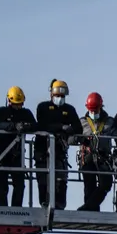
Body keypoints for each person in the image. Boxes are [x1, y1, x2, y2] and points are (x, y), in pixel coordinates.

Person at [34, 79, 82, 210]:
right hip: (42, 149)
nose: (60, 98)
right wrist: (61, 127)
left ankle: (60, 205)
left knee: (61, 179)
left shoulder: (69, 109)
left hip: (60, 150)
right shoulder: (43, 107)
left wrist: (70, 130)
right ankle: (44, 203)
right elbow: (42, 125)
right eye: (57, 96)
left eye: (62, 96)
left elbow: (78, 128)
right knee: (43, 178)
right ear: (51, 94)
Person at [0, 86, 37, 207]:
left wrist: (26, 126)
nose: (18, 106)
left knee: (20, 184)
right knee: (1, 184)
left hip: (16, 154)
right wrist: (14, 126)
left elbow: (35, 125)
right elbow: (0, 124)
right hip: (1, 152)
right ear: (9, 101)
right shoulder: (2, 111)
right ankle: (2, 208)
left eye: (20, 104)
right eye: (16, 104)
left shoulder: (26, 113)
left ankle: (17, 208)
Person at [73, 92, 115, 212]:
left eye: (96, 110)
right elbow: (71, 137)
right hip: (88, 157)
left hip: (103, 158)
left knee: (106, 184)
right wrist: (80, 138)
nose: (94, 113)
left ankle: (88, 207)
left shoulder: (110, 122)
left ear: (101, 107)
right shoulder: (82, 122)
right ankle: (92, 210)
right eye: (91, 110)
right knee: (89, 185)